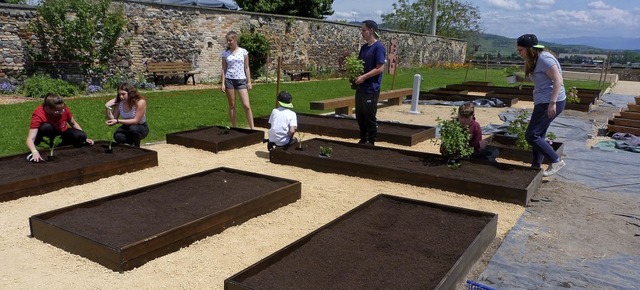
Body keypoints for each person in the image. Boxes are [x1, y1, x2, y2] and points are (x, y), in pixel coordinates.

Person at [517, 33, 566, 176]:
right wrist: (520, 79)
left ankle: (556, 160)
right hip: (543, 101)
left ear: (529, 48)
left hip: (549, 102)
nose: (519, 53)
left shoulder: (544, 59)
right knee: (539, 135)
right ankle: (536, 166)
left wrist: (552, 103)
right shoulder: (535, 59)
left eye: (520, 50)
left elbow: (558, 80)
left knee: (531, 135)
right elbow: (543, 80)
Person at [26, 93, 94, 162]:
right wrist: (34, 151)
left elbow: (73, 123)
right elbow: (30, 139)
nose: (61, 112)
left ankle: (60, 146)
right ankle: (47, 145)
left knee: (81, 136)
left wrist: (85, 138)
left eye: (62, 109)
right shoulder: (39, 114)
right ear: (48, 108)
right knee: (46, 127)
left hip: (61, 132)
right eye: (57, 111)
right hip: (48, 133)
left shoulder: (63, 109)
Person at [354, 20, 386, 146]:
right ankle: (363, 139)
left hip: (371, 88)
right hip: (361, 87)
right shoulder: (363, 48)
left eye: (364, 30)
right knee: (360, 115)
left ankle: (371, 141)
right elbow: (359, 65)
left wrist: (364, 77)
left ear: (371, 31)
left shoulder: (378, 48)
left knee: (369, 116)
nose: (362, 32)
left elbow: (380, 68)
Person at [221, 30, 254, 129]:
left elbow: (247, 67)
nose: (228, 42)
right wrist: (222, 83)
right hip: (229, 80)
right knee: (232, 104)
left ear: (235, 40)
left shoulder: (243, 52)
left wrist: (249, 81)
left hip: (241, 80)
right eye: (227, 41)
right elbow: (223, 69)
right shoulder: (225, 53)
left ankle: (252, 128)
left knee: (246, 105)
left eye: (230, 40)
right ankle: (234, 127)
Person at [105, 83, 149, 147]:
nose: (121, 97)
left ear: (130, 93)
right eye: (119, 94)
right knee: (117, 136)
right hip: (127, 126)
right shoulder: (120, 103)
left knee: (133, 129)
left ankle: (136, 147)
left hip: (140, 126)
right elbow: (112, 120)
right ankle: (130, 145)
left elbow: (136, 120)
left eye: (123, 94)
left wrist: (118, 121)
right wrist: (107, 107)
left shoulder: (140, 102)